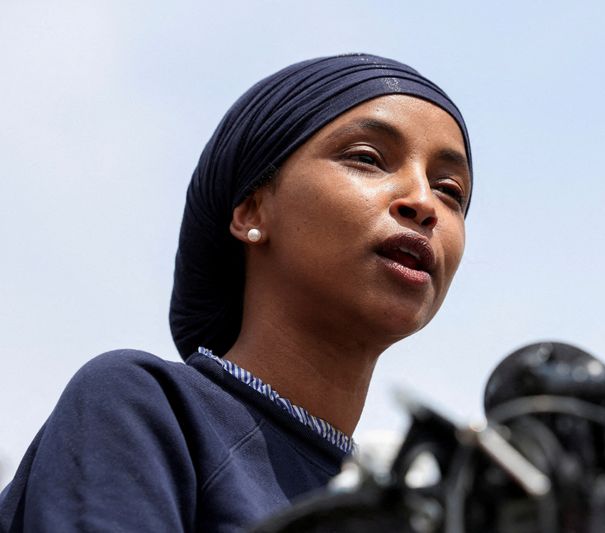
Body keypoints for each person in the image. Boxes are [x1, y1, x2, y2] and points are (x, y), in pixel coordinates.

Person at [0, 53, 472, 532]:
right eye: (367, 158)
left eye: (450, 190)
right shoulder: (146, 407)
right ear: (251, 213)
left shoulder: (418, 511)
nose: (423, 202)